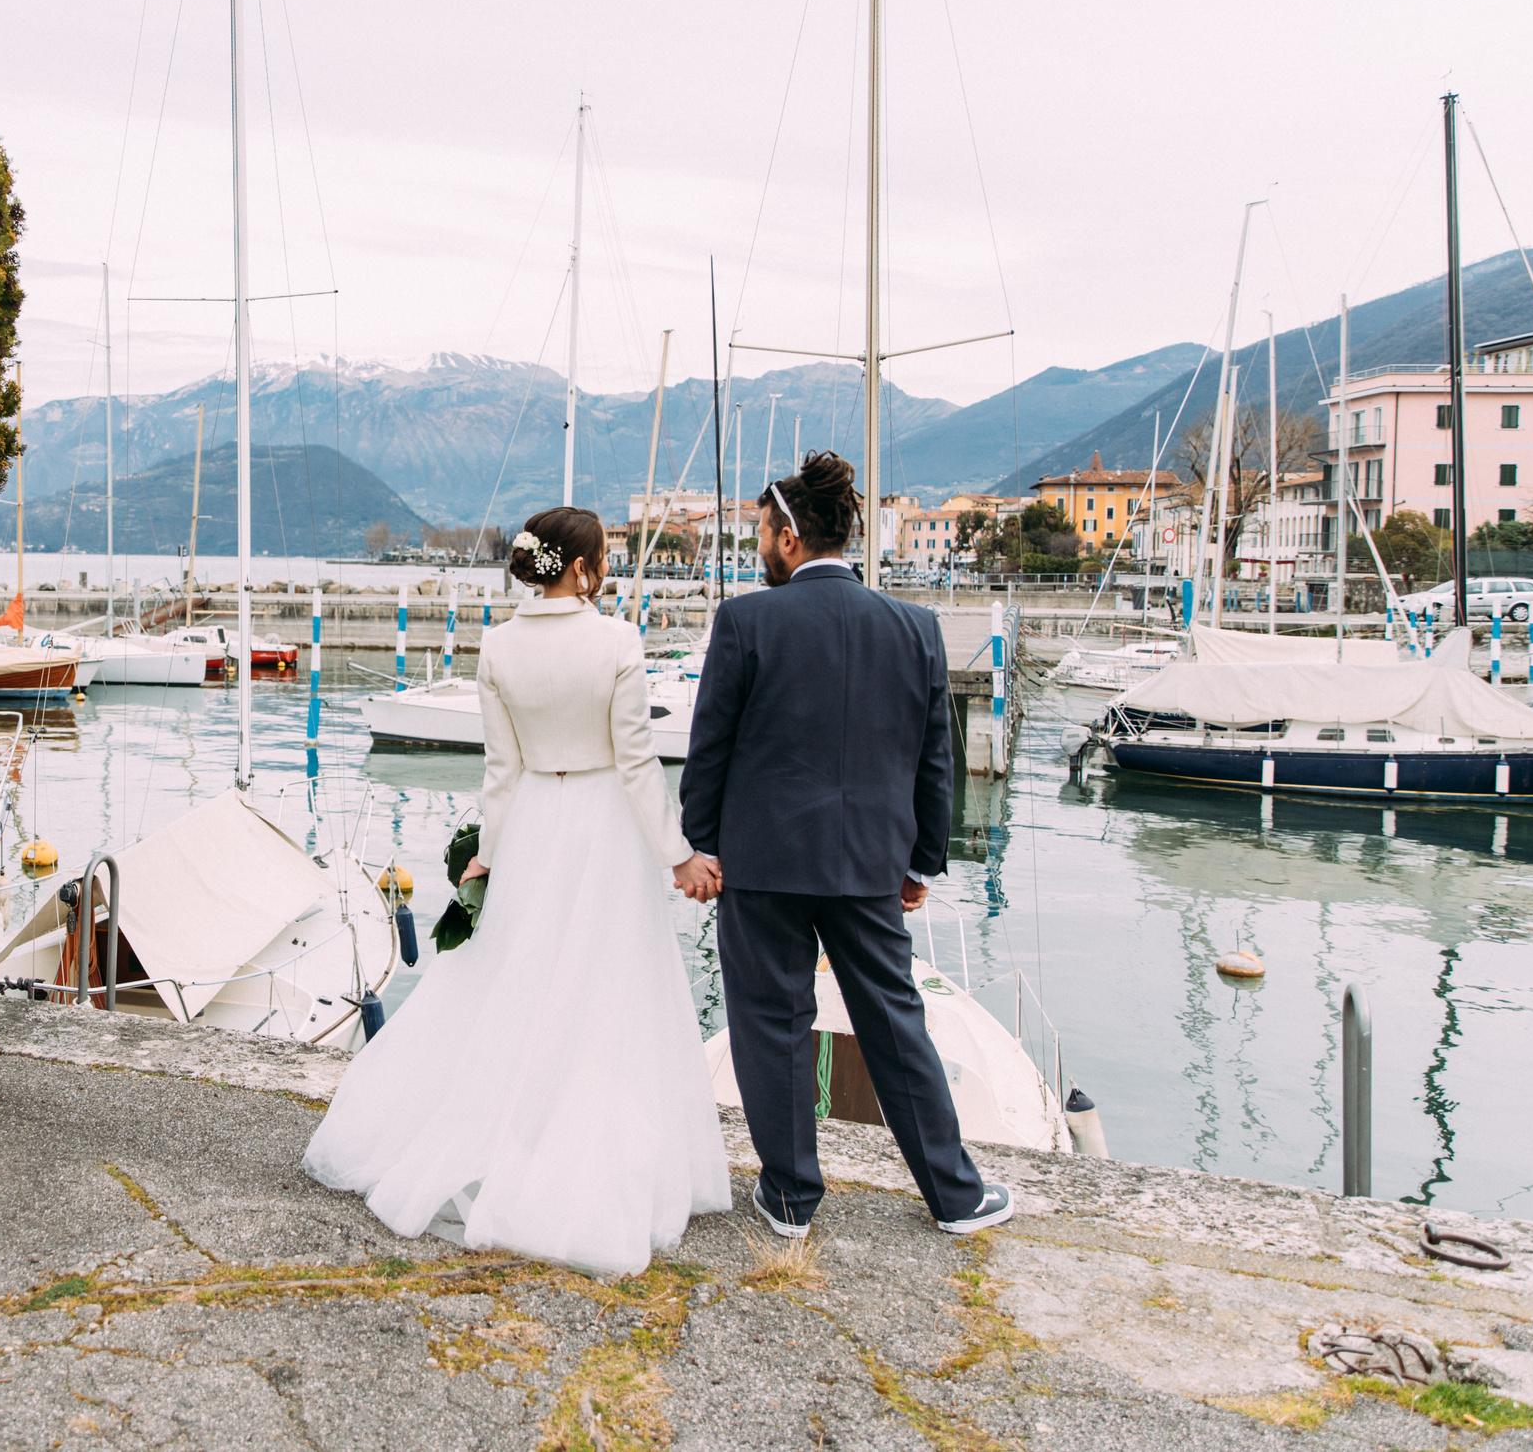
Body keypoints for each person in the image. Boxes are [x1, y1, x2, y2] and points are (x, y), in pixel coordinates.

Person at [303, 505, 731, 1277]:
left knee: (519, 979)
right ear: (579, 568)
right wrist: (678, 856)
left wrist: (487, 857)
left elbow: (498, 772)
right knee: (605, 987)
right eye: (600, 557)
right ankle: (581, 1148)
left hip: (533, 822)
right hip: (602, 827)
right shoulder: (617, 642)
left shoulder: (498, 646)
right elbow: (637, 766)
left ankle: (493, 1132)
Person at [675, 453, 1013, 1240]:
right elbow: (938, 756)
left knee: (771, 1020)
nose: (759, 544)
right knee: (896, 1022)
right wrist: (922, 859)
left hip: (761, 862)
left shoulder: (746, 620)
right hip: (870, 861)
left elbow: (710, 748)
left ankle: (791, 1198)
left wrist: (702, 842)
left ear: (789, 537)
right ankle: (955, 1196)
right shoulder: (915, 626)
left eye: (763, 530)